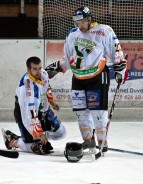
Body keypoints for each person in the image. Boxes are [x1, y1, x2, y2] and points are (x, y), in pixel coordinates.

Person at [45, 7, 127, 154]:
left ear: (89, 19)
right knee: (81, 112)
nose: (80, 25)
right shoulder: (72, 34)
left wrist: (120, 70)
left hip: (98, 76)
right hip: (78, 78)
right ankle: (88, 141)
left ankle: (102, 142)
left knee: (98, 112)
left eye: (82, 21)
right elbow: (69, 59)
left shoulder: (104, 31)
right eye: (77, 22)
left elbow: (116, 52)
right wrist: (58, 68)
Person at [2, 56, 67, 155]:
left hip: (41, 110)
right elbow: (29, 115)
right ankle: (13, 140)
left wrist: (52, 102)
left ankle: (38, 138)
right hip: (25, 113)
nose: (39, 71)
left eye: (40, 68)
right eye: (35, 69)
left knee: (61, 133)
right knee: (32, 147)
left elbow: (46, 87)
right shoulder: (26, 89)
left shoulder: (43, 74)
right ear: (28, 70)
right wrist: (40, 135)